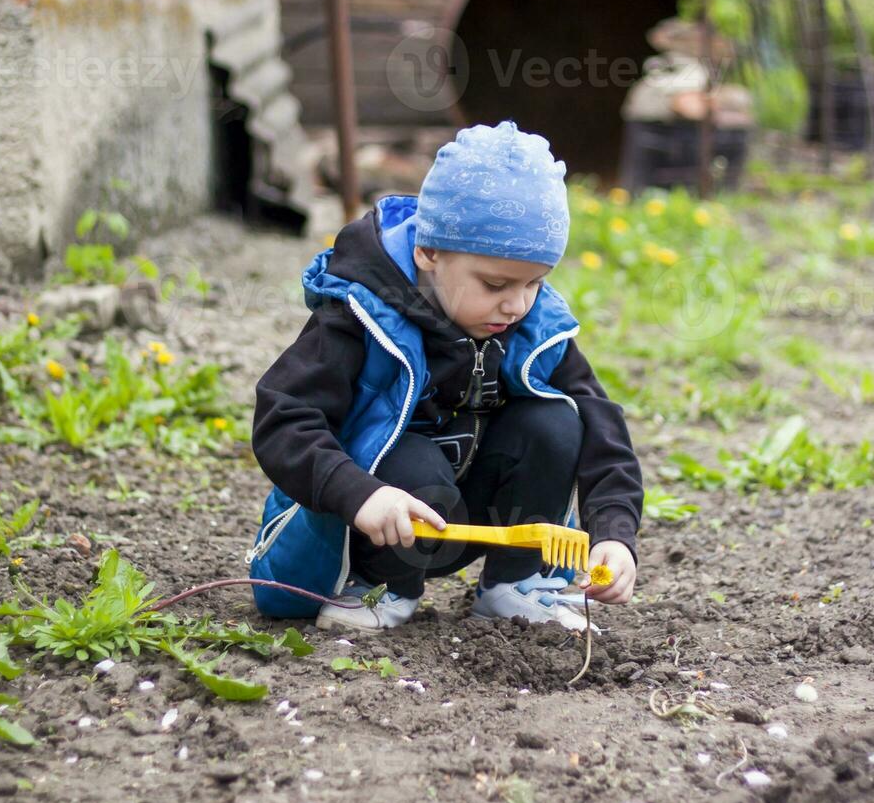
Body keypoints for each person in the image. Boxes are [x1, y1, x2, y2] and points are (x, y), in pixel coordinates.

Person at [249, 120, 644, 633]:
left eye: (535, 283)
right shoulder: (359, 314)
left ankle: (514, 584)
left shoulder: (530, 321)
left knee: (556, 419)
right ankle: (381, 587)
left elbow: (600, 424)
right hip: (375, 521)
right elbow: (282, 417)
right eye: (496, 283)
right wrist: (358, 494)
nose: (517, 304)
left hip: (473, 518)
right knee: (409, 454)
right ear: (429, 253)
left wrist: (613, 532)